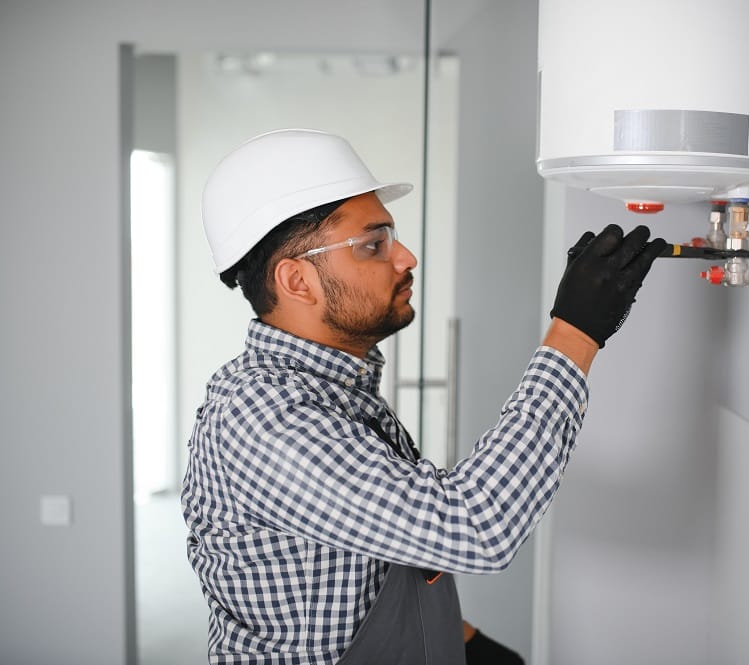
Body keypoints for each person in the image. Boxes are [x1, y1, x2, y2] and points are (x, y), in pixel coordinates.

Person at [181, 128, 665, 664]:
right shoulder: (265, 420)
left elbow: (363, 557)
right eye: (374, 244)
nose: (407, 257)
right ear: (298, 281)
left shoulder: (331, 390)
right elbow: (476, 525)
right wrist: (574, 334)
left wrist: (462, 640)